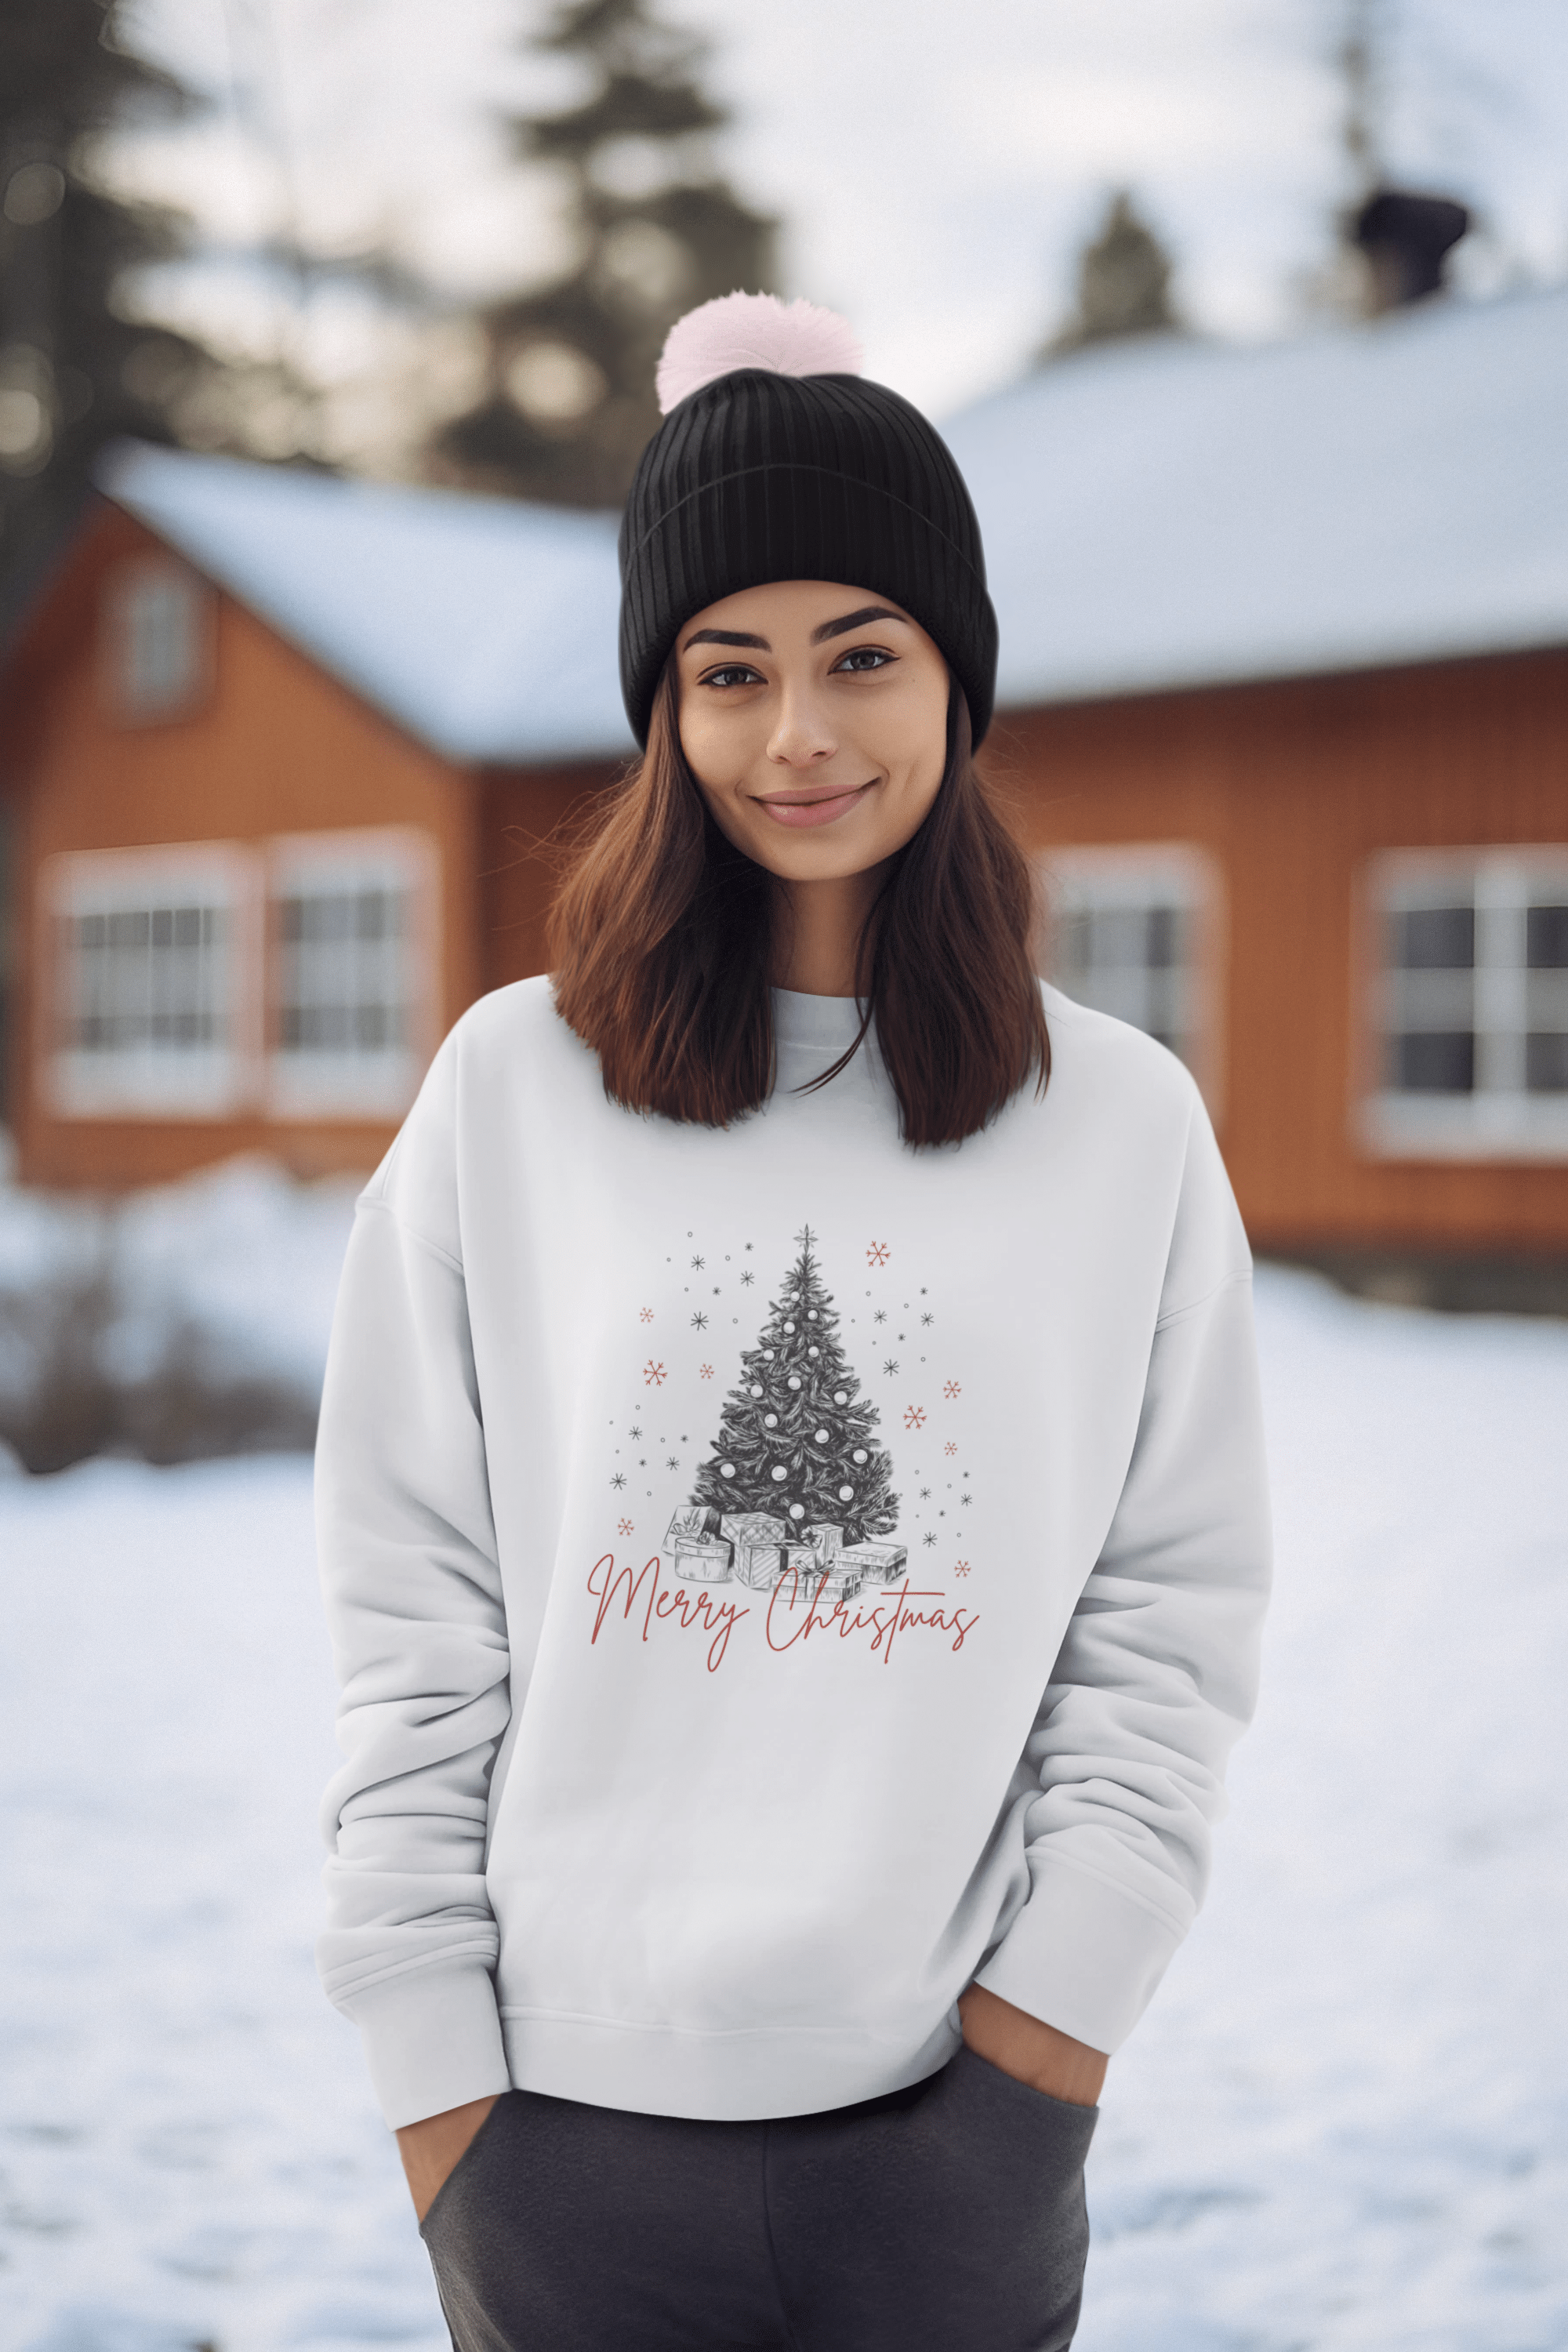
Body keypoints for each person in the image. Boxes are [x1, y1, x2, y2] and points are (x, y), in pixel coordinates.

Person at [314, 292, 1272, 2352]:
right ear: (664, 707)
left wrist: (1040, 2058)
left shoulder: (1113, 1124)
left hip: (951, 2140)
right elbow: (410, 1600)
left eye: (864, 657)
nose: (799, 734)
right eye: (730, 672)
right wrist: (441, 2091)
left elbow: (1167, 1623)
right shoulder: (515, 1087)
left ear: (959, 679)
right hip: (553, 2139)